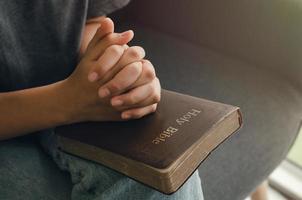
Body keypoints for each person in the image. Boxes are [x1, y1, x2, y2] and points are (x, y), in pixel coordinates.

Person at [0, 1, 204, 199]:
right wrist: (68, 101)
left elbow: (90, 20)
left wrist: (111, 70)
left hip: (72, 87)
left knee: (157, 168)